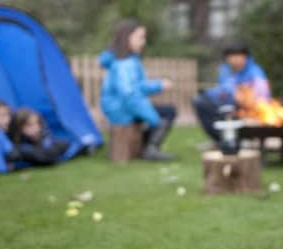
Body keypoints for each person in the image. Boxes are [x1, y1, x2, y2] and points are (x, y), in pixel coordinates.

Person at [99, 19, 176, 161]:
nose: (143, 42)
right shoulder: (124, 64)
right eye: (140, 37)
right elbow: (130, 96)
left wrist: (159, 85)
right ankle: (150, 150)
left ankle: (148, 147)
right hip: (121, 110)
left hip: (122, 107)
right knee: (162, 117)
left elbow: (137, 86)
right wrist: (154, 119)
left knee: (168, 111)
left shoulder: (128, 60)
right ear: (127, 38)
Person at [192, 41, 271, 142]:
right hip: (225, 104)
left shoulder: (255, 72)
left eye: (238, 56)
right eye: (231, 57)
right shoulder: (226, 70)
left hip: (246, 108)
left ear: (245, 57)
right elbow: (222, 89)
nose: (234, 60)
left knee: (211, 107)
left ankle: (232, 139)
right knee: (199, 101)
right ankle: (221, 139)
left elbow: (262, 97)